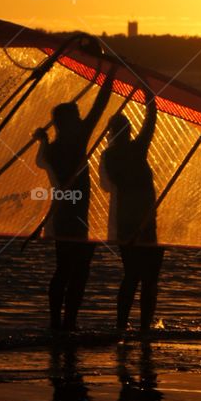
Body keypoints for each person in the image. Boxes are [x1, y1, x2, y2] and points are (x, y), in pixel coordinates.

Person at [36, 64, 113, 332]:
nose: (82, 119)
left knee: (64, 269)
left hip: (64, 217)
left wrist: (42, 140)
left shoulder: (53, 149)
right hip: (73, 217)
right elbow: (101, 106)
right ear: (67, 123)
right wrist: (111, 74)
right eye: (77, 116)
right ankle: (66, 323)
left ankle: (59, 321)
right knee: (77, 271)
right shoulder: (76, 139)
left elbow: (42, 159)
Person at [100, 86, 163, 336]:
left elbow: (150, 122)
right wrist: (149, 97)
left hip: (134, 220)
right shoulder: (131, 151)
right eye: (125, 129)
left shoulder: (114, 154)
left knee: (136, 276)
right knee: (143, 278)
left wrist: (150, 97)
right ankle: (137, 328)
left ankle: (127, 326)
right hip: (139, 222)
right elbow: (150, 122)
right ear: (122, 132)